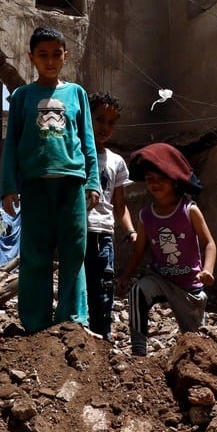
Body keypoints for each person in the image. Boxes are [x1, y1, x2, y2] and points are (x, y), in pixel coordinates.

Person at [1, 26, 101, 332]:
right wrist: (8, 187)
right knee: (35, 253)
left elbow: (87, 141)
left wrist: (93, 181)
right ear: (31, 58)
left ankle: (72, 319)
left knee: (74, 251)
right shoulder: (21, 96)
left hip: (71, 181)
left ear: (65, 56)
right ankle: (35, 321)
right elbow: (11, 145)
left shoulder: (76, 94)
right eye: (42, 55)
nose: (50, 60)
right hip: (35, 183)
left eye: (56, 54)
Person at [118, 143, 216, 357]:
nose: (155, 184)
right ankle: (138, 351)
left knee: (197, 344)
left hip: (189, 286)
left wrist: (207, 270)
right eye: (150, 179)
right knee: (138, 291)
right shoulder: (146, 216)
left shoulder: (189, 210)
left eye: (160, 179)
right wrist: (125, 277)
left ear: (174, 180)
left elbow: (209, 243)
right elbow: (139, 250)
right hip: (161, 279)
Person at [84, 92, 136, 341]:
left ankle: (101, 339)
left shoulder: (116, 161)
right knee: (77, 285)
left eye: (111, 122)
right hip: (78, 231)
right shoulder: (75, 155)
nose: (105, 127)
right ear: (87, 118)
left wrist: (131, 232)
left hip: (104, 233)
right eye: (100, 119)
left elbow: (120, 206)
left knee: (104, 286)